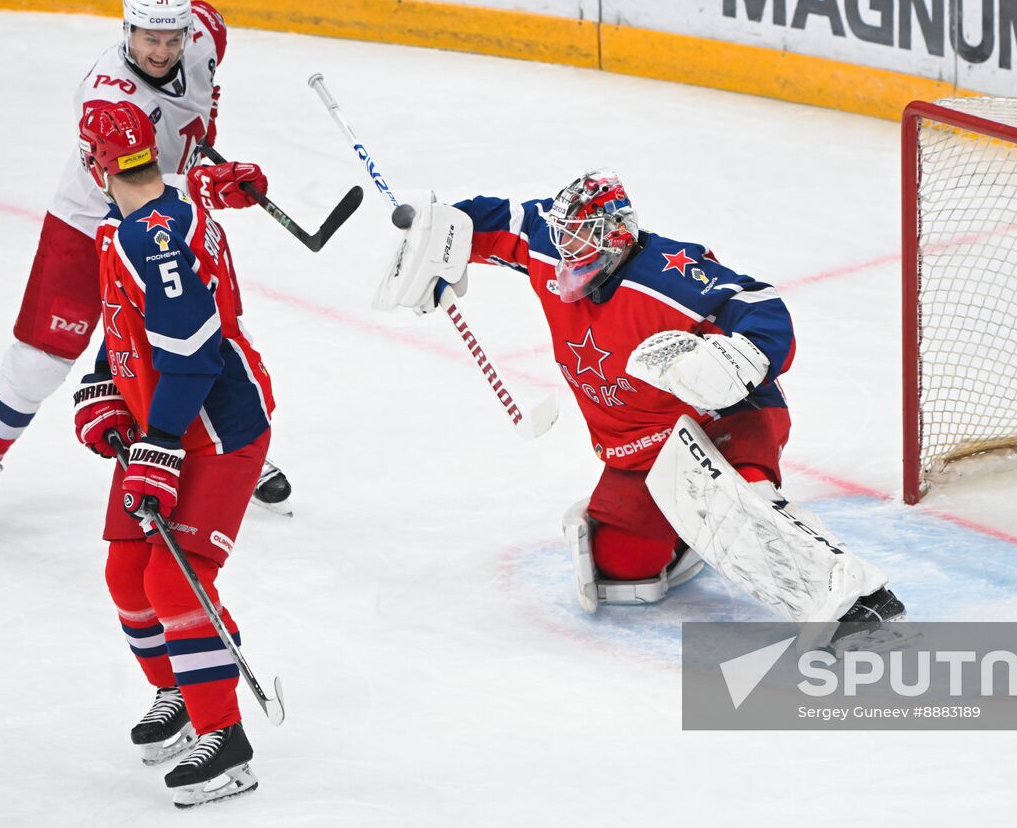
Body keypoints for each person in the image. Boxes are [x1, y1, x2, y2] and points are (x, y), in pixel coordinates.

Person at [377, 170, 903, 644]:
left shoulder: (667, 275)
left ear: (617, 235)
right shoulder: (552, 250)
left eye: (581, 236)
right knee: (619, 570)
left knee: (743, 504)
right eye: (564, 234)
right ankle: (691, 531)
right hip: (636, 448)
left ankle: (859, 599)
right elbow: (501, 220)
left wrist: (741, 354)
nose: (566, 247)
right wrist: (438, 232)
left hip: (717, 420)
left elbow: (757, 304)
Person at [0, 0, 292, 526]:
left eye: (171, 38)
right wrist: (208, 183)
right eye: (148, 38)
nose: (161, 50)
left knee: (195, 336)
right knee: (43, 357)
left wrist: (201, 158)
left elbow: (208, 31)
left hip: (169, 219)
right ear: (126, 29)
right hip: (92, 227)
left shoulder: (201, 34)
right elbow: (133, 189)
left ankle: (225, 441)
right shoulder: (109, 99)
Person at [74, 100, 272, 808]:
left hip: (217, 428)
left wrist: (157, 446)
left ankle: (227, 739)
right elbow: (134, 314)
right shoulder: (145, 213)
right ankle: (184, 688)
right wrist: (105, 378)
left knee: (174, 582)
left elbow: (191, 352)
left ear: (97, 163)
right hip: (161, 416)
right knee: (127, 572)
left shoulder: (148, 235)